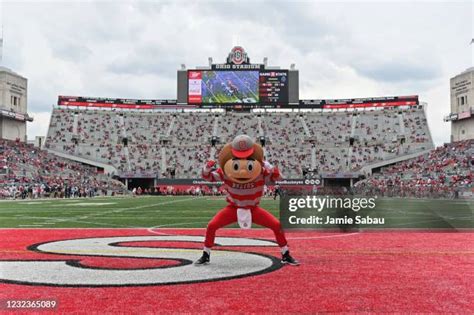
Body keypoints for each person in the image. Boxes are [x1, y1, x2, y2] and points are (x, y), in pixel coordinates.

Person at [195, 134, 299, 266]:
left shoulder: (259, 170)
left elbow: (279, 178)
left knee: (276, 225)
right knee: (212, 226)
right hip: (233, 208)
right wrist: (206, 168)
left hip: (253, 208)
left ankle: (285, 254)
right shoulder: (227, 170)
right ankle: (206, 254)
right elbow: (208, 177)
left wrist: (270, 167)